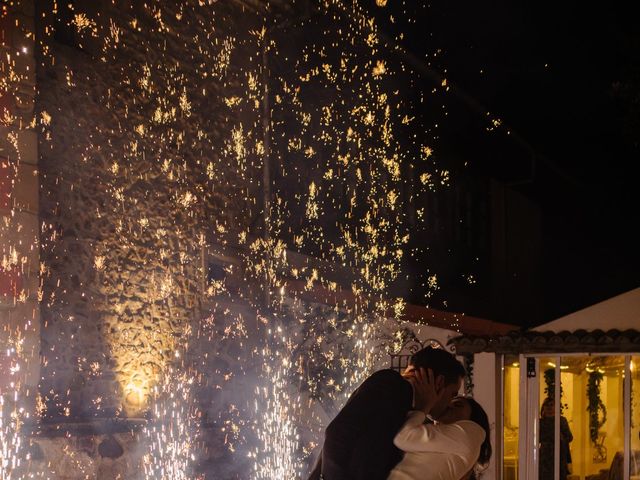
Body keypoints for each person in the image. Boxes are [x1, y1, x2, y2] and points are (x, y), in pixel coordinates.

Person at [307, 347, 466, 480]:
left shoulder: (409, 407)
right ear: (439, 383)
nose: (450, 403)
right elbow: (338, 432)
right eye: (453, 394)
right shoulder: (392, 385)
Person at [388, 368, 492, 480]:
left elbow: (402, 437)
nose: (449, 405)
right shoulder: (445, 443)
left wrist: (423, 407)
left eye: (458, 405)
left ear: (472, 419)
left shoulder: (470, 434)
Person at [539, 397, 573, 480]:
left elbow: (569, 437)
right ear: (543, 407)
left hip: (559, 455)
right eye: (547, 405)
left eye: (551, 405)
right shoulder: (540, 422)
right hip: (545, 456)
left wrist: (560, 438)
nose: (549, 407)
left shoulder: (561, 420)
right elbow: (537, 438)